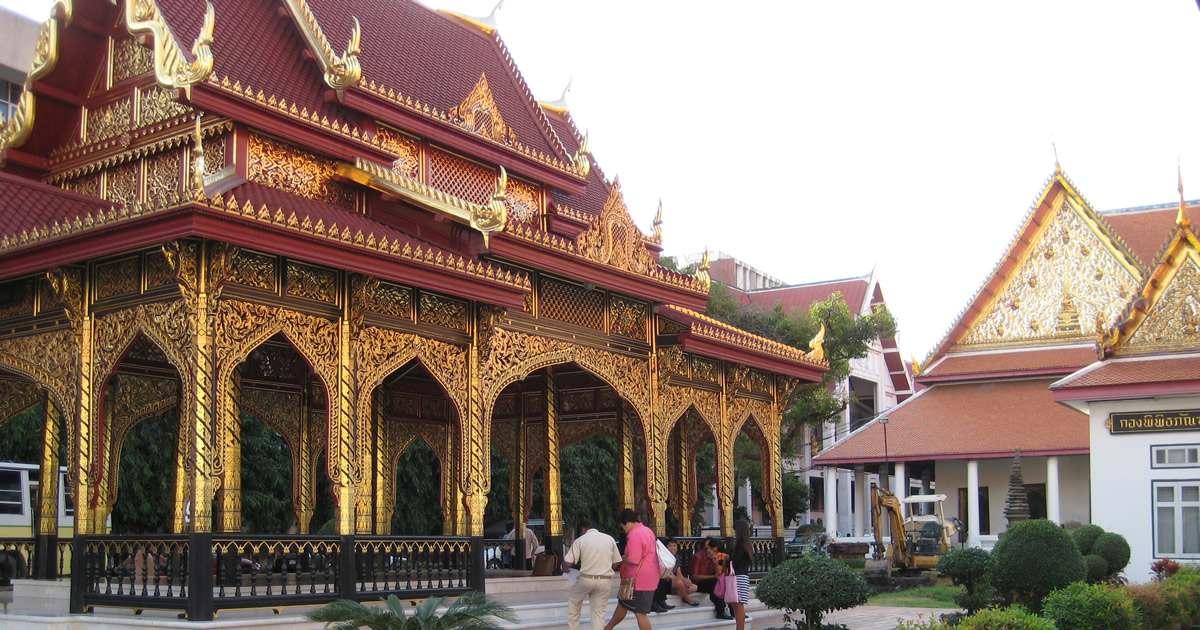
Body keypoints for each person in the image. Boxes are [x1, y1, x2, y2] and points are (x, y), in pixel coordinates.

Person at [561, 519, 622, 630]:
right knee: (598, 613)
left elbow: (568, 563)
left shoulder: (581, 540)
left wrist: (564, 567)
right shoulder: (609, 539)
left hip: (586, 579)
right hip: (605, 580)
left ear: (583, 529)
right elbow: (615, 565)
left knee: (574, 603)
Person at [603, 509, 657, 630]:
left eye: (623, 526)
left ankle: (607, 628)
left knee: (640, 613)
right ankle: (608, 628)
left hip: (637, 579)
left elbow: (634, 559)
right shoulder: (647, 531)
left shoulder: (635, 534)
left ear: (627, 522)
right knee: (623, 604)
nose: (624, 530)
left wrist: (623, 558)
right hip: (648, 577)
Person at [653, 537, 699, 611]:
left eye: (674, 546)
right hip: (665, 581)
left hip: (674, 581)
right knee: (679, 582)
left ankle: (681, 591)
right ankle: (687, 598)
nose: (672, 548)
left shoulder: (676, 557)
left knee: (694, 587)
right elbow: (664, 575)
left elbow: (679, 574)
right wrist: (678, 580)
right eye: (670, 546)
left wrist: (685, 580)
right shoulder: (662, 557)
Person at [691, 536, 731, 619]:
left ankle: (733, 610)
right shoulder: (698, 557)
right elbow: (694, 576)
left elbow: (718, 573)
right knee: (715, 582)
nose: (712, 552)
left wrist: (716, 563)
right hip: (697, 584)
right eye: (711, 549)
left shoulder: (714, 557)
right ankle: (720, 610)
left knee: (724, 582)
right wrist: (712, 576)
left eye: (715, 551)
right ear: (707, 547)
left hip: (710, 582)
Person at [727, 520, 754, 630]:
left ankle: (740, 628)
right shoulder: (746, 545)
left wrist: (722, 561)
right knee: (738, 605)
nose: (733, 531)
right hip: (743, 577)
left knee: (738, 605)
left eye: (735, 529)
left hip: (738, 578)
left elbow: (734, 563)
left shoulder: (740, 546)